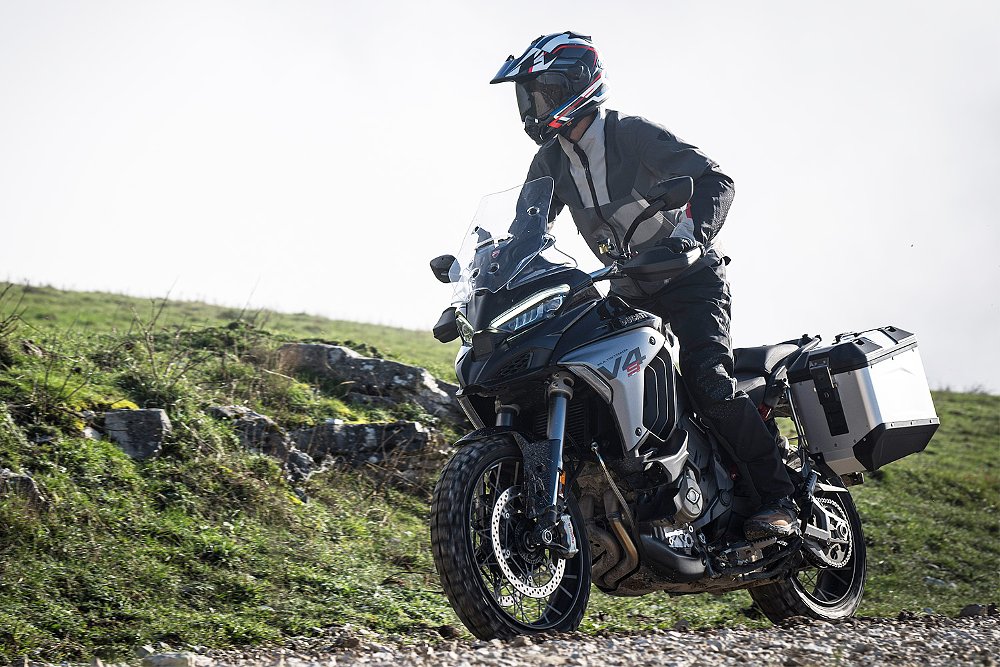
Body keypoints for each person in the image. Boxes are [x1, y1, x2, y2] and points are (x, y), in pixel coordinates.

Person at [490, 31, 797, 540]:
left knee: (707, 380)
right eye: (529, 96)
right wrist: (495, 266)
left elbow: (714, 180)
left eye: (542, 92)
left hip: (691, 279)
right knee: (597, 379)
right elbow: (527, 231)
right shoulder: (549, 163)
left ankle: (779, 497)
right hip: (628, 287)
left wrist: (690, 237)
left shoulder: (630, 134)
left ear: (577, 85)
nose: (532, 107)